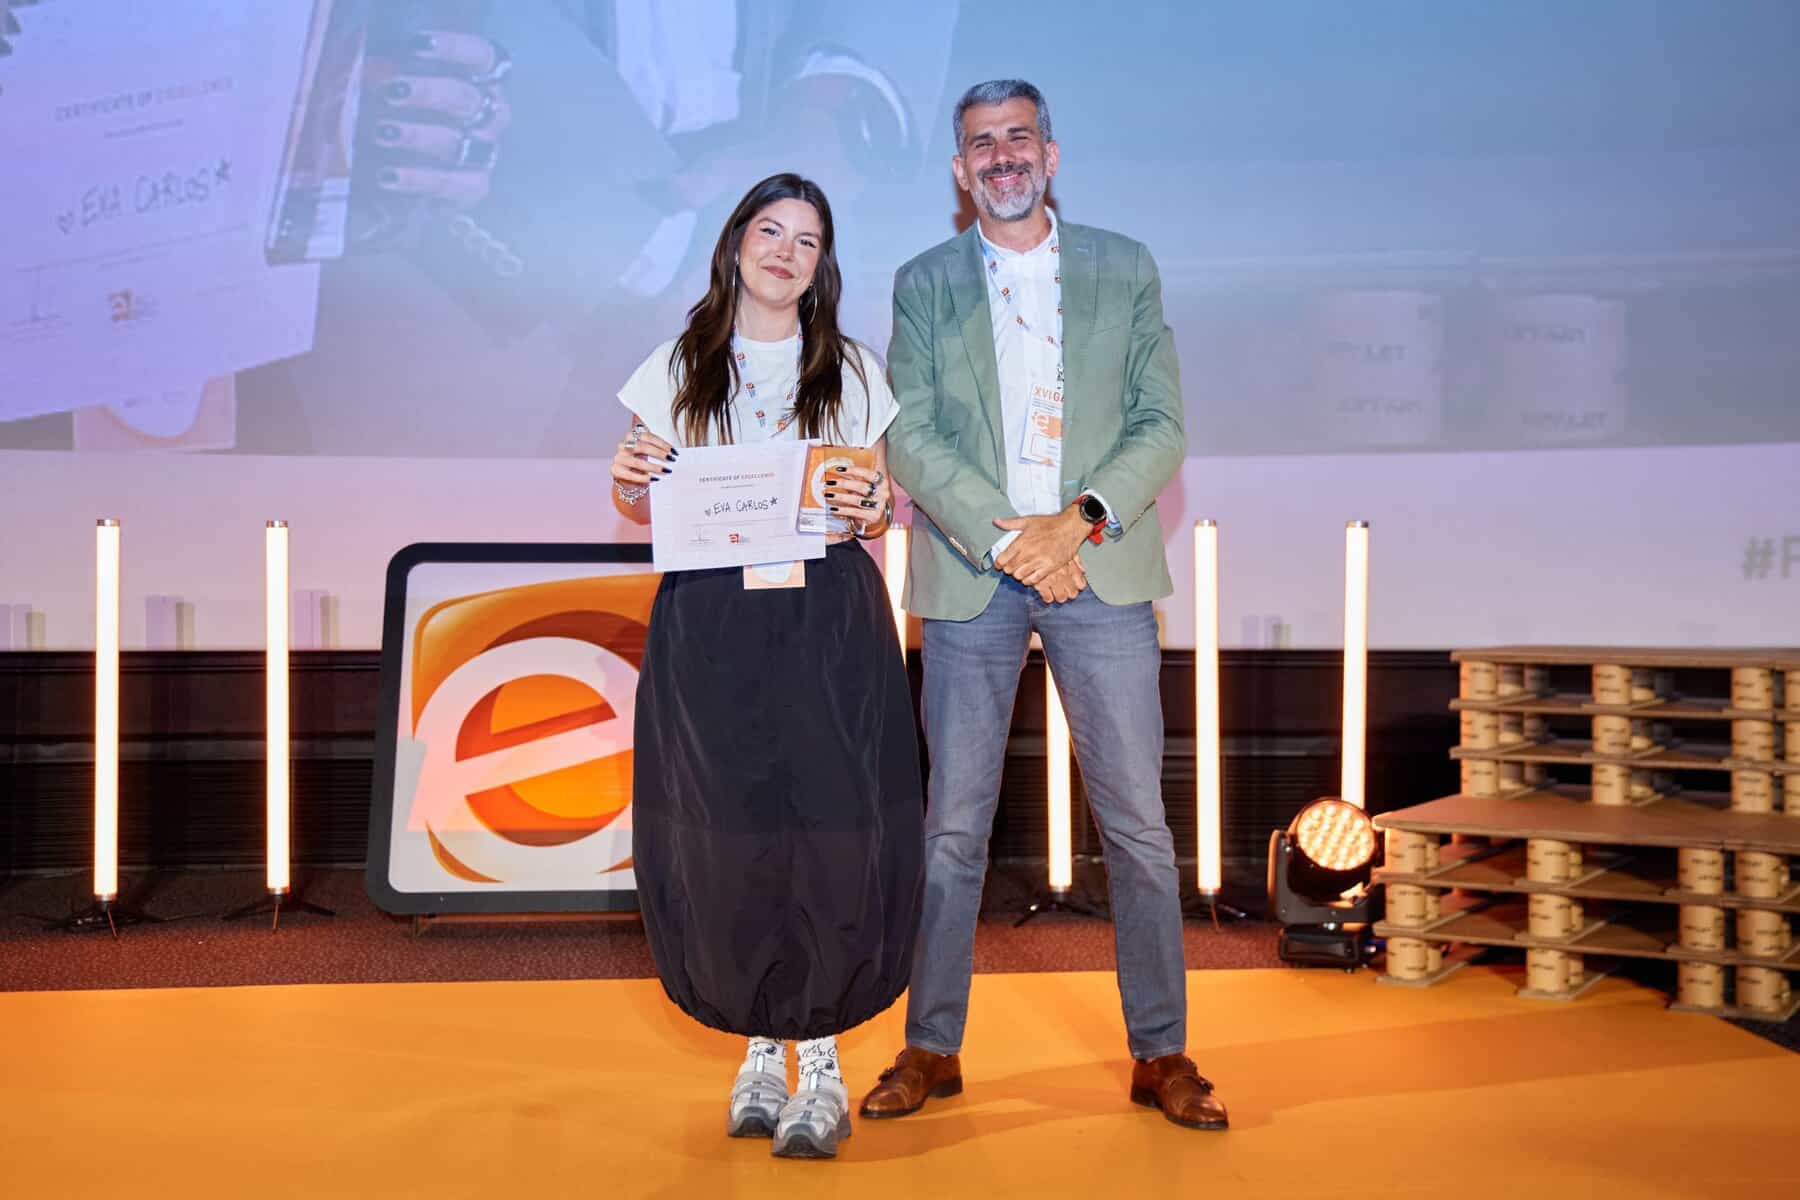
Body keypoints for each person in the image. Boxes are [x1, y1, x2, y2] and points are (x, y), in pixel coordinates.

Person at [866, 80, 1228, 1131]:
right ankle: (931, 1047)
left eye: (1018, 136)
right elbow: (910, 434)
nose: (1002, 156)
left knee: (1140, 829)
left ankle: (1162, 1052)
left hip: (1096, 567)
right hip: (973, 576)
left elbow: (1162, 423)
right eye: (981, 143)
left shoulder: (1125, 265)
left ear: (1051, 154)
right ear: (958, 169)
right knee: (951, 830)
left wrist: (1075, 524)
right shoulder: (924, 281)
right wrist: (1013, 542)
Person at [608, 173, 924, 1159]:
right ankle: (758, 1048)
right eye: (771, 231)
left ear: (823, 264)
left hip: (828, 618)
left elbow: (876, 503)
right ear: (737, 241)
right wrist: (625, 481)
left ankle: (820, 1061)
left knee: (829, 825)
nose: (786, 252)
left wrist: (873, 508)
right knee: (730, 826)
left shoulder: (853, 368)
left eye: (808, 240)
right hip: (712, 622)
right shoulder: (677, 365)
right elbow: (637, 493)